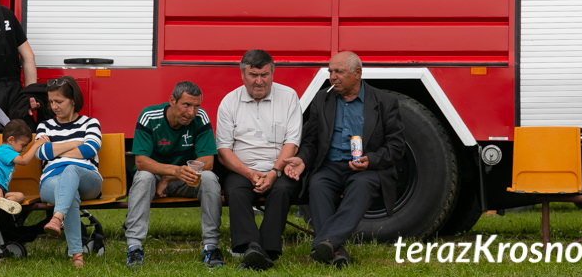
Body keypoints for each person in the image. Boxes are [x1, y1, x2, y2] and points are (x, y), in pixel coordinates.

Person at [283, 51, 405, 267]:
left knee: (362, 186)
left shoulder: (384, 102)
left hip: (365, 169)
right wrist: (302, 159)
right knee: (318, 183)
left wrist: (372, 159)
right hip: (329, 166)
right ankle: (335, 250)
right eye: (330, 71)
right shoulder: (323, 99)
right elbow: (310, 141)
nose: (332, 77)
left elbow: (396, 147)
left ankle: (326, 242)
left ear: (357, 73)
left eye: (338, 71)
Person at [216, 49, 302, 270]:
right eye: (253, 75)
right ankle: (250, 246)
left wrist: (274, 172)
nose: (259, 81)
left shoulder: (289, 96)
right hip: (242, 169)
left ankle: (265, 250)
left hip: (279, 167)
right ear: (243, 74)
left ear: (272, 73)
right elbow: (224, 150)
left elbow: (292, 143)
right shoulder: (229, 102)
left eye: (264, 74)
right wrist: (248, 173)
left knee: (282, 190)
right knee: (235, 191)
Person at [125, 81, 222, 268]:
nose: (191, 113)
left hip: (185, 180)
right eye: (186, 105)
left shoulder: (201, 118)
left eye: (196, 106)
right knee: (143, 177)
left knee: (209, 178)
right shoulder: (149, 116)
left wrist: (170, 178)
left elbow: (207, 161)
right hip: (154, 178)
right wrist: (174, 171)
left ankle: (211, 247)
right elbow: (141, 162)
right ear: (172, 100)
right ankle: (134, 248)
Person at [35, 77, 102, 268]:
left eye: (59, 101)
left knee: (71, 170)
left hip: (87, 178)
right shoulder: (44, 126)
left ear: (73, 100)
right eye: (51, 102)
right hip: (51, 181)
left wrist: (55, 149)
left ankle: (57, 217)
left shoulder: (90, 123)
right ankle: (77, 257)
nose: (54, 106)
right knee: (69, 192)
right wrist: (74, 143)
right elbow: (40, 153)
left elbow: (90, 149)